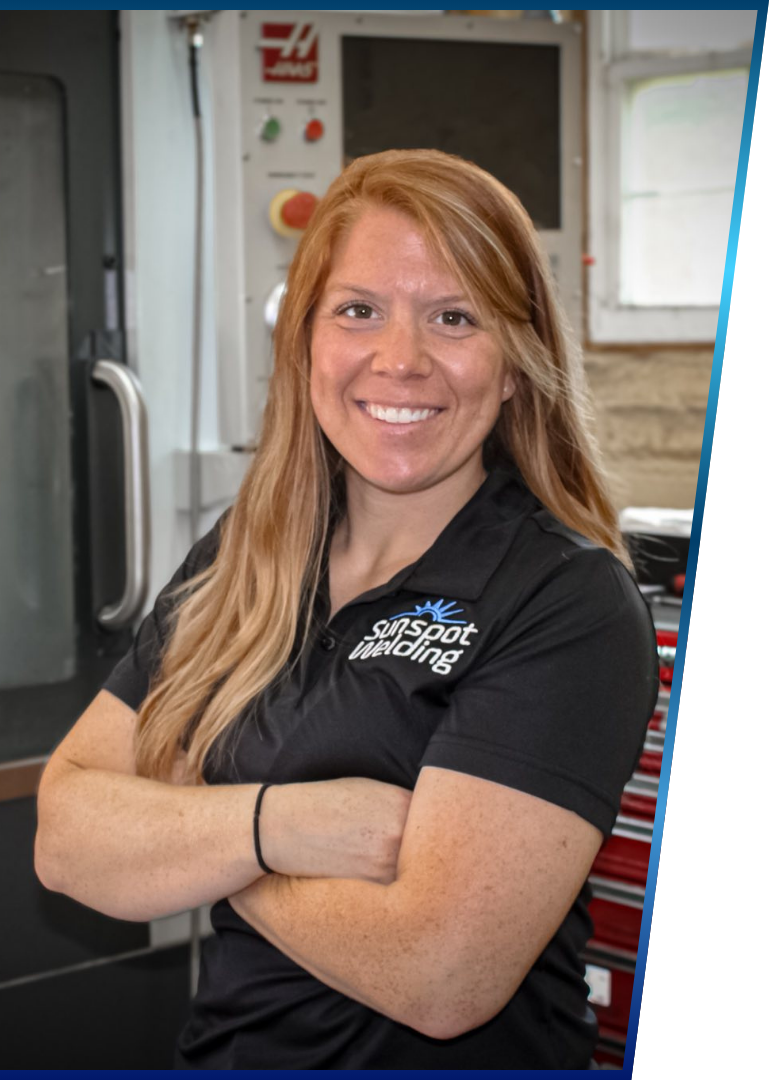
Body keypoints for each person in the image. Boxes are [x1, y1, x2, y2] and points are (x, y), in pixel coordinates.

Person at [34, 149, 659, 1069]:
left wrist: (195, 840)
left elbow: (439, 975)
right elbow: (65, 837)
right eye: (359, 311)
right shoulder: (250, 553)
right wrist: (282, 826)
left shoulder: (565, 601)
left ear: (518, 365)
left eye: (455, 318)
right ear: (306, 344)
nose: (399, 361)